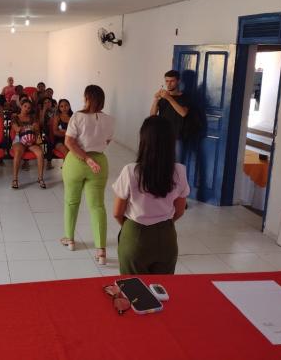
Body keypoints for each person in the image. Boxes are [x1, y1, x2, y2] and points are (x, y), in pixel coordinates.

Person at [112, 116, 189, 274]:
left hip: (135, 235)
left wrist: (131, 229)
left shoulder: (131, 171)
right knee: (162, 291)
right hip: (167, 236)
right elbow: (180, 211)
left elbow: (117, 213)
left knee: (134, 292)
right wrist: (162, 225)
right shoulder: (179, 171)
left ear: (144, 141)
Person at [61, 85, 114, 265]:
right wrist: (93, 158)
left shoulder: (77, 117)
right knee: (97, 206)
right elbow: (106, 141)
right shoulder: (109, 120)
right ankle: (101, 251)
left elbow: (69, 142)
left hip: (76, 162)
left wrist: (85, 158)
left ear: (86, 98)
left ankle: (70, 239)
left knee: (71, 201)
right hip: (99, 163)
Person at [150, 69, 189, 162]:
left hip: (177, 136)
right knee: (160, 161)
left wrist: (169, 98)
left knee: (177, 163)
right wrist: (156, 99)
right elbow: (152, 115)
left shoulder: (184, 97)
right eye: (167, 81)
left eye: (172, 81)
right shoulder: (162, 97)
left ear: (178, 81)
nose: (169, 84)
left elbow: (183, 113)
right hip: (162, 134)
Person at [11, 100, 46, 189]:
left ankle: (40, 178)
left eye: (29, 108)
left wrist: (38, 141)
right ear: (21, 106)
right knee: (18, 152)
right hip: (19, 139)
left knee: (40, 153)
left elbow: (37, 130)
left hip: (31, 140)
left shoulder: (33, 117)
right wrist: (29, 127)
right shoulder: (15, 117)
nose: (27, 109)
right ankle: (15, 179)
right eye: (25, 106)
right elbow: (17, 129)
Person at [38, 96, 55, 169]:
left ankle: (49, 162)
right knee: (49, 141)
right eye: (45, 103)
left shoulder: (55, 110)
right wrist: (44, 111)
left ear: (51, 103)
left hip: (54, 129)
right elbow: (41, 123)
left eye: (48, 102)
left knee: (50, 141)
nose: (47, 104)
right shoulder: (41, 111)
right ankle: (48, 162)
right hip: (44, 130)